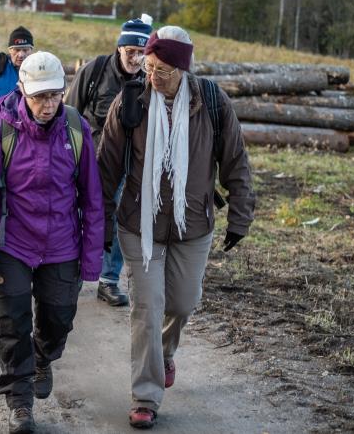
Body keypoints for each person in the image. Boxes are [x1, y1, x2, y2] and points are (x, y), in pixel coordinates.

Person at [96, 26, 255, 429]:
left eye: (163, 70)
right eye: (149, 67)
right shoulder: (131, 101)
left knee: (182, 303)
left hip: (193, 224)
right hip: (139, 223)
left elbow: (235, 161)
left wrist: (240, 216)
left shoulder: (212, 103)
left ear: (184, 69)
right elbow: (106, 167)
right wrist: (99, 223)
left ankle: (165, 353)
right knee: (147, 309)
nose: (154, 77)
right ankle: (146, 396)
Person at [0, 51, 103, 434]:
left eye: (54, 96)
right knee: (13, 323)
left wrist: (91, 260)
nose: (47, 105)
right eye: (39, 97)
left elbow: (92, 199)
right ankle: (20, 402)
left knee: (58, 320)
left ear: (63, 92)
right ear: (23, 91)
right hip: (12, 244)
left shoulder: (76, 130)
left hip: (62, 244)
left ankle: (43, 357)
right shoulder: (2, 132)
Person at [65, 14, 152, 307]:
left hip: (130, 164)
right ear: (119, 48)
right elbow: (69, 113)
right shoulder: (96, 70)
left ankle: (108, 280)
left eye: (142, 53)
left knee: (120, 219)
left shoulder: (150, 79)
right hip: (91, 160)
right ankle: (71, 275)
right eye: (131, 52)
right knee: (83, 215)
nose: (136, 59)